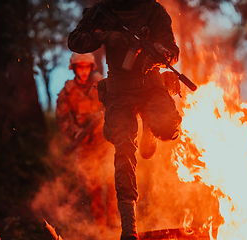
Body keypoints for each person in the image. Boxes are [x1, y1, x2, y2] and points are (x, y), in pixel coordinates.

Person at [68, 0, 182, 239]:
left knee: (168, 128)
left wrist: (162, 55)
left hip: (150, 85)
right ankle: (129, 229)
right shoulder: (101, 12)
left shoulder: (153, 11)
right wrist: (105, 36)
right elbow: (75, 41)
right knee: (123, 153)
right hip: (119, 89)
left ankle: (150, 125)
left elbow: (173, 51)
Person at [56, 52, 119, 236]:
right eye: (79, 67)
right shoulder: (67, 90)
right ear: (74, 69)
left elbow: (115, 106)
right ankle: (100, 224)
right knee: (94, 187)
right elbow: (62, 119)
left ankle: (114, 219)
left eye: (86, 67)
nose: (83, 71)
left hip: (105, 141)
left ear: (91, 68)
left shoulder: (101, 83)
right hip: (85, 145)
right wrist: (76, 133)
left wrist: (104, 121)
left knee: (113, 181)